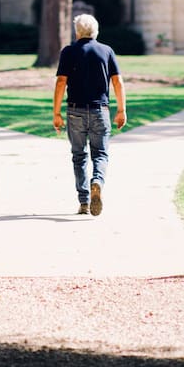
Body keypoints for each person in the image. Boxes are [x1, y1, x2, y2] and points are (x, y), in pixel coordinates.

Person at [52, 13, 127, 216]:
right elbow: (118, 82)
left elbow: (60, 82)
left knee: (79, 156)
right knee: (100, 154)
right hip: (100, 111)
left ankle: (84, 202)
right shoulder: (106, 51)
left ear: (77, 31)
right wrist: (121, 110)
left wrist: (56, 113)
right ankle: (97, 181)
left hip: (75, 110)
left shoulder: (68, 52)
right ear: (96, 31)